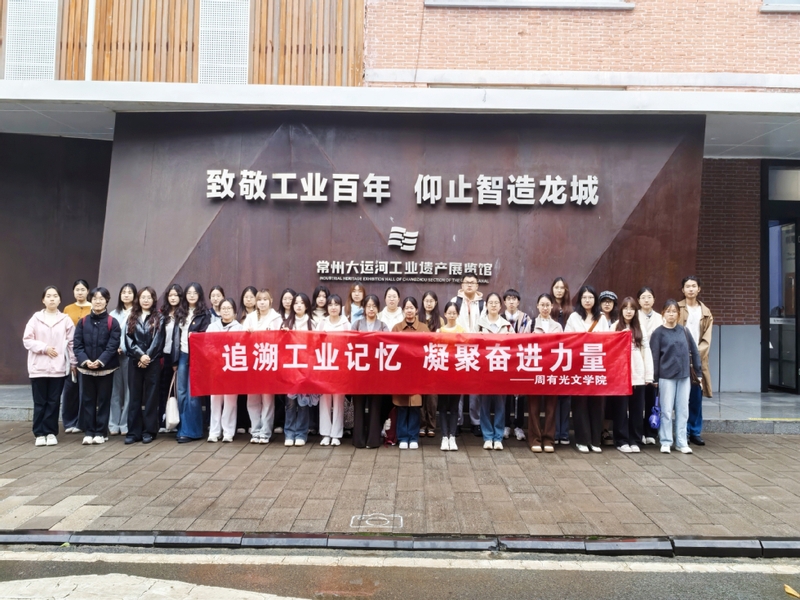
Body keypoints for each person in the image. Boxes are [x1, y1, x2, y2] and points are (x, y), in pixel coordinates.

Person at [23, 286, 77, 447]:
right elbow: (27, 340)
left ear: (60, 300)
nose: (52, 299)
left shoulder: (65, 319)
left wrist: (73, 363)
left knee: (53, 401)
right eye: (48, 296)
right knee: (40, 402)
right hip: (38, 368)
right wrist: (44, 348)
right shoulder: (35, 318)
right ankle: (39, 433)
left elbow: (72, 343)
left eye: (55, 296)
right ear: (43, 300)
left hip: (58, 368)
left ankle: (51, 432)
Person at [651, 299, 702, 454]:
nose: (671, 314)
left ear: (679, 314)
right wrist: (655, 378)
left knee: (683, 410)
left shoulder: (684, 331)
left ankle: (681, 442)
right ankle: (666, 441)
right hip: (666, 377)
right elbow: (654, 357)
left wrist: (699, 373)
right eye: (668, 311)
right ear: (663, 314)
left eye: (674, 312)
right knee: (666, 410)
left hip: (684, 376)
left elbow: (695, 352)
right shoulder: (658, 333)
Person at [73, 287, 122, 445]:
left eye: (101, 299)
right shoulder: (83, 322)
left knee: (103, 400)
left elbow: (112, 346)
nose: (98, 301)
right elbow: (77, 345)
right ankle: (89, 432)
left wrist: (100, 361)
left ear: (107, 301)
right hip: (86, 368)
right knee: (88, 400)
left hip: (106, 369)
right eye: (95, 298)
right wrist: (85, 361)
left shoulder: (112, 322)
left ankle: (101, 432)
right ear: (91, 300)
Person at [565, 285, 609, 453]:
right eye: (584, 297)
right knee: (580, 403)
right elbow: (567, 339)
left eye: (590, 297)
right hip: (579, 365)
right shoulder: (574, 317)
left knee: (597, 403)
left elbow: (608, 341)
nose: (587, 300)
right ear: (580, 300)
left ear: (595, 299)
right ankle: (582, 440)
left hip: (597, 366)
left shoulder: (602, 318)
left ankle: (595, 441)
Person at [611, 297, 653, 454]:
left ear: (635, 311)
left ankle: (635, 439)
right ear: (621, 310)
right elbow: (610, 351)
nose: (628, 311)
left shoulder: (639, 327)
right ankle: (621, 440)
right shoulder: (615, 326)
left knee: (637, 409)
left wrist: (648, 375)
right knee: (621, 409)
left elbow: (646, 351)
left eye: (632, 308)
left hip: (638, 373)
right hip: (620, 376)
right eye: (625, 308)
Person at [125, 286, 166, 445]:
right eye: (143, 297)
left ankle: (149, 431)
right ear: (138, 299)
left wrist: (147, 356)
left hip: (152, 362)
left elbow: (158, 340)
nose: (146, 300)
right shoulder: (132, 316)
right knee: (134, 397)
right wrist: (139, 356)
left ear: (153, 299)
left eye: (149, 297)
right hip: (135, 362)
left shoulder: (159, 317)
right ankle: (133, 432)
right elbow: (128, 339)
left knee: (151, 397)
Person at [173, 282, 211, 443]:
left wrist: (195, 336)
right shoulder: (180, 312)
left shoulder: (204, 314)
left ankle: (193, 431)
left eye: (195, 293)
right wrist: (174, 360)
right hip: (182, 355)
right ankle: (183, 428)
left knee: (192, 395)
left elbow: (205, 338)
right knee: (181, 393)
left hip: (196, 357)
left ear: (200, 295)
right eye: (189, 293)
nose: (192, 295)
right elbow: (175, 338)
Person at [677, 276, 713, 446]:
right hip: (679, 357)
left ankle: (695, 431)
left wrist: (695, 355)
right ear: (682, 290)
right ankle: (682, 431)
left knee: (696, 396)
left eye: (694, 286)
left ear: (699, 289)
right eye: (687, 286)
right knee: (681, 398)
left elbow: (707, 339)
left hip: (698, 359)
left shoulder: (706, 312)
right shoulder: (676, 308)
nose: (690, 289)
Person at [350, 294, 389, 448]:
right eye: (368, 306)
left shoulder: (383, 325)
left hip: (376, 372)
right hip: (359, 372)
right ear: (364, 308)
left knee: (375, 406)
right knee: (359, 405)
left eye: (374, 306)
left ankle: (373, 440)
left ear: (378, 308)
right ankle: (358, 440)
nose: (371, 309)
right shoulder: (357, 324)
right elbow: (350, 344)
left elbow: (387, 345)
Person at [243, 289, 281, 444]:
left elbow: (280, 340)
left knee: (267, 399)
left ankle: (265, 431)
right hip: (252, 363)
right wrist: (247, 333)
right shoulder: (250, 317)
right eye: (259, 300)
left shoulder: (276, 318)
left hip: (268, 362)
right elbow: (241, 339)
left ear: (270, 300)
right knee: (252, 399)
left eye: (265, 299)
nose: (262, 302)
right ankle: (255, 430)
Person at [392, 297, 429, 449]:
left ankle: (413, 437)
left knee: (415, 406)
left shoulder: (424, 328)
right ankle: (402, 437)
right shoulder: (396, 328)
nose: (409, 310)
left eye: (411, 308)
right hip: (401, 373)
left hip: (417, 373)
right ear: (403, 310)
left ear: (416, 310)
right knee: (401, 406)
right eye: (406, 308)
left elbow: (428, 349)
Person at [476, 292, 513, 450]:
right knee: (484, 405)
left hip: (501, 371)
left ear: (500, 306)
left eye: (496, 302)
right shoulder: (479, 324)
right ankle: (487, 436)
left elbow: (514, 347)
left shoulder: (507, 326)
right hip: (484, 371)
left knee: (500, 405)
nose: (493, 305)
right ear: (486, 305)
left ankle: (498, 437)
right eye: (490, 302)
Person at [451, 273, 485, 437]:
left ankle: (475, 422)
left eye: (472, 282)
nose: (469, 285)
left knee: (475, 389)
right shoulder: (454, 301)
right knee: (458, 388)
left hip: (477, 350)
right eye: (467, 282)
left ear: (477, 286)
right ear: (462, 285)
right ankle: (457, 422)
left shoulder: (483, 304)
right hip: (459, 349)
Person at [282, 292, 317, 446]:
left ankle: (301, 434)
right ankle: (289, 433)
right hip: (290, 369)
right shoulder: (286, 323)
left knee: (303, 403)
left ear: (307, 306)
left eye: (302, 303)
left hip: (305, 369)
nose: (298, 305)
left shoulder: (313, 324)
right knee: (290, 403)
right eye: (296, 303)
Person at [206, 298, 243, 443]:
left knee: (230, 401)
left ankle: (228, 431)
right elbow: (206, 345)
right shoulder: (212, 327)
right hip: (215, 368)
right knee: (215, 400)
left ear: (234, 311)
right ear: (219, 311)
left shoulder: (239, 328)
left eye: (229, 308)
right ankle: (214, 432)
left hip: (232, 368)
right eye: (223, 308)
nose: (226, 311)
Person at [529, 293, 562, 453]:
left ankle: (549, 439)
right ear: (537, 306)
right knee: (533, 406)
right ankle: (535, 438)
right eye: (542, 305)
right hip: (534, 369)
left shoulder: (558, 326)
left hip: (552, 370)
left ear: (552, 306)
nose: (545, 308)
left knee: (551, 407)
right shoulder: (530, 324)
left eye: (548, 305)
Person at [317, 294, 350, 446]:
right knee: (324, 400)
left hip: (340, 367)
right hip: (324, 366)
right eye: (330, 305)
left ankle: (336, 434)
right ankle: (325, 433)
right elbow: (315, 343)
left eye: (336, 304)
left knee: (338, 401)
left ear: (340, 307)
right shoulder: (322, 323)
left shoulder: (346, 324)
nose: (333, 307)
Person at [61, 279, 91, 434]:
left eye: (83, 289)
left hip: (88, 353)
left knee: (85, 389)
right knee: (70, 388)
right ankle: (69, 421)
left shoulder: (93, 307)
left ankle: (81, 422)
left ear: (88, 291)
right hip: (70, 353)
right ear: (73, 291)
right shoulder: (67, 309)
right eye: (77, 289)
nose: (80, 292)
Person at [503, 288, 532, 442]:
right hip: (503, 359)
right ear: (504, 302)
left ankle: (519, 425)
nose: (511, 301)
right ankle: (506, 424)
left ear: (518, 301)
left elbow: (527, 338)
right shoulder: (500, 318)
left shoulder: (526, 319)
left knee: (520, 393)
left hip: (521, 358)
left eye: (514, 299)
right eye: (508, 299)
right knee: (506, 393)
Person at [108, 283, 136, 436]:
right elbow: (109, 335)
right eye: (124, 292)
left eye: (129, 292)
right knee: (115, 391)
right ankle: (113, 423)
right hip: (115, 357)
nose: (126, 295)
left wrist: (124, 348)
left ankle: (125, 424)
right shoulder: (113, 314)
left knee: (129, 391)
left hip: (130, 357)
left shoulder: (137, 313)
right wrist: (115, 348)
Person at [638, 286, 663, 446]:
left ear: (654, 299)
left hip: (654, 363)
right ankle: (639, 432)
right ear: (638, 300)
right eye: (643, 297)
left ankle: (651, 432)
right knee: (638, 401)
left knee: (652, 399)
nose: (646, 300)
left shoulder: (660, 318)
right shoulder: (634, 316)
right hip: (638, 363)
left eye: (649, 297)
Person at [438, 301, 464, 451]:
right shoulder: (439, 331)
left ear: (458, 314)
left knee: (454, 407)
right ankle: (444, 436)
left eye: (454, 313)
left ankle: (452, 436)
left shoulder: (462, 331)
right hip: (442, 374)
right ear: (445, 314)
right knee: (442, 407)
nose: (452, 315)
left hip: (457, 374)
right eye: (449, 313)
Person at [158, 284, 183, 433]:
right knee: (164, 388)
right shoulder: (162, 313)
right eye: (170, 295)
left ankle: (177, 421)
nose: (173, 298)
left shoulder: (184, 313)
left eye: (176, 295)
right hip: (164, 355)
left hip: (179, 355)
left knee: (178, 389)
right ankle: (163, 421)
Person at [550, 277, 572, 446]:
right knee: (553, 397)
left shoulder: (572, 311)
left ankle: (564, 432)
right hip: (551, 357)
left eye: (561, 287)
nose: (559, 290)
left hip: (569, 356)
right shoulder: (548, 307)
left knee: (566, 396)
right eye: (556, 287)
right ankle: (554, 431)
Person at [420, 291, 443, 438]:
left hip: (435, 361)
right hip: (420, 361)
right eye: (426, 301)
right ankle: (422, 425)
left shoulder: (440, 320)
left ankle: (431, 425)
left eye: (431, 301)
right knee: (420, 395)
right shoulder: (418, 318)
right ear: (422, 302)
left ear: (435, 303)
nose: (428, 303)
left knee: (432, 397)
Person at [236, 286, 258, 435]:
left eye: (251, 297)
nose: (248, 300)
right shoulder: (238, 316)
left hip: (256, 358)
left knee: (254, 392)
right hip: (242, 358)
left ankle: (252, 423)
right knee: (241, 392)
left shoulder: (260, 316)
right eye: (246, 297)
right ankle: (242, 422)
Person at [273, 288, 296, 435]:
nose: (287, 302)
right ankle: (279, 422)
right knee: (279, 394)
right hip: (278, 358)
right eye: (285, 299)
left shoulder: (298, 316)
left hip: (294, 359)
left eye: (290, 299)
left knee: (293, 395)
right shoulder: (276, 317)